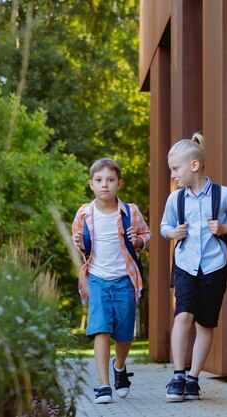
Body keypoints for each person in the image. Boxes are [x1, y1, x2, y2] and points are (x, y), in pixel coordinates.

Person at [160, 133, 227, 401]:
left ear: (194, 166)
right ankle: (177, 375)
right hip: (186, 265)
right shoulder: (175, 199)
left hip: (214, 267)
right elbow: (164, 226)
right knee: (183, 316)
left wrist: (225, 228)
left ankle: (193, 378)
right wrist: (172, 233)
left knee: (205, 324)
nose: (173, 175)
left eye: (176, 169)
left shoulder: (224, 195)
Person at [71, 158, 151, 404]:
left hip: (124, 279)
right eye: (99, 180)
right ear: (91, 185)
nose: (104, 184)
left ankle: (120, 366)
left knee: (125, 334)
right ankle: (103, 386)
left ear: (119, 184)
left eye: (110, 180)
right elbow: (80, 243)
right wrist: (79, 244)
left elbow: (145, 235)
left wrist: (139, 242)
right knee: (100, 329)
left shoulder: (131, 211)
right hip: (96, 279)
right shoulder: (84, 213)